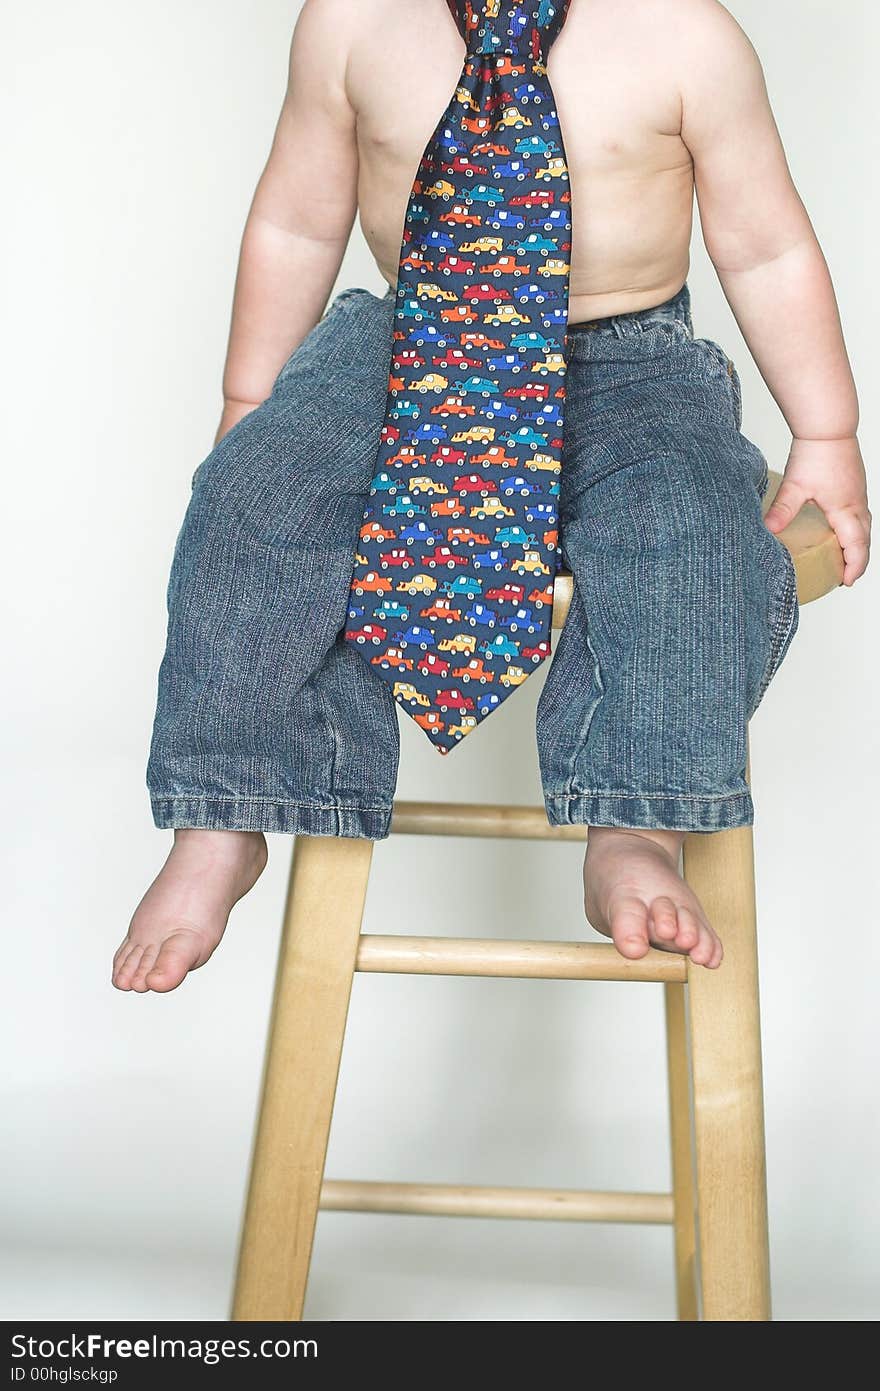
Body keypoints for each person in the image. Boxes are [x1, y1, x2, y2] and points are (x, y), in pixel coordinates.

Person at [112, 0, 869, 994]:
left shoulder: (687, 37)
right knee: (258, 497)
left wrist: (826, 431)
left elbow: (766, 247)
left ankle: (632, 816)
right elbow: (295, 222)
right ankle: (227, 808)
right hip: (405, 344)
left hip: (626, 360)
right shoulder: (350, 25)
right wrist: (249, 403)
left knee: (687, 529)